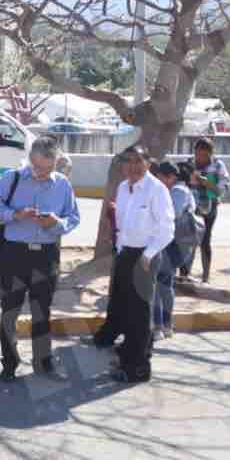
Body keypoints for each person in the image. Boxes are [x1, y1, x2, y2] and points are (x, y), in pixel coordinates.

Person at [0, 135, 81, 381]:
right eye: (36, 166)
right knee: (10, 311)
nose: (39, 172)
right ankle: (9, 364)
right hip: (15, 254)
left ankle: (43, 361)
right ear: (30, 158)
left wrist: (56, 223)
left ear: (55, 163)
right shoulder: (12, 178)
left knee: (42, 311)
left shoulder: (62, 184)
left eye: (45, 169)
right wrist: (15, 214)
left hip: (46, 256)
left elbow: (73, 217)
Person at [97, 145, 174, 384]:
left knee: (140, 313)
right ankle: (128, 351)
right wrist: (120, 250)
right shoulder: (122, 187)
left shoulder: (156, 189)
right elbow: (120, 223)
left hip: (146, 257)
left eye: (138, 161)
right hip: (125, 253)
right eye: (128, 161)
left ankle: (138, 368)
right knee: (124, 306)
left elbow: (167, 228)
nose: (133, 166)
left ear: (148, 163)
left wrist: (148, 256)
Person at [151, 160, 198, 341]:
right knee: (164, 285)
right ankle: (165, 324)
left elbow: (171, 216)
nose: (158, 180)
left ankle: (159, 326)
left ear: (170, 177)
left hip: (170, 246)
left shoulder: (178, 191)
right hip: (172, 245)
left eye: (160, 177)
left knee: (159, 285)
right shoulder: (178, 190)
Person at [180, 137, 230, 283]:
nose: (199, 158)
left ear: (210, 153)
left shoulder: (218, 165)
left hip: (209, 206)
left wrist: (205, 181)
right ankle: (184, 274)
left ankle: (205, 276)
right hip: (191, 206)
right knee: (187, 239)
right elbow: (181, 183)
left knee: (205, 240)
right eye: (197, 154)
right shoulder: (189, 163)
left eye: (203, 155)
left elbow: (221, 189)